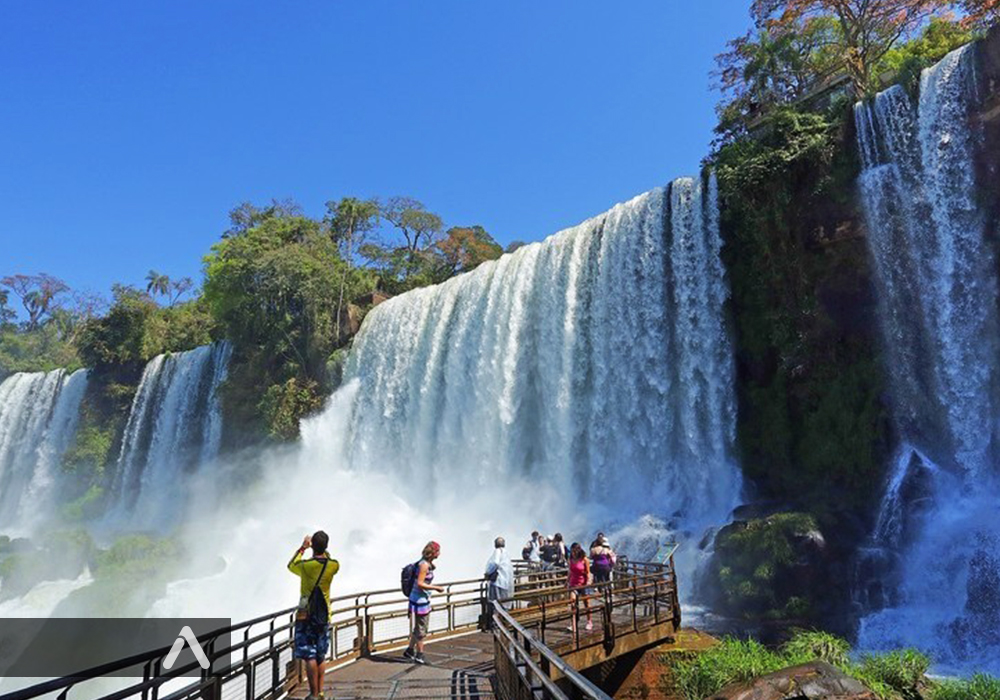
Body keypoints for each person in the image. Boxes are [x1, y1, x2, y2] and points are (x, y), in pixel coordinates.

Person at [288, 531, 339, 700]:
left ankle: (314, 694)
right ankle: (321, 691)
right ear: (326, 546)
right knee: (320, 655)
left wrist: (303, 548)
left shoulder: (306, 566)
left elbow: (291, 565)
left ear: (312, 546)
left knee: (309, 655)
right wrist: (322, 549)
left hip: (306, 616)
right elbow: (329, 558)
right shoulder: (333, 565)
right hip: (324, 615)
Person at [403, 541, 444, 664]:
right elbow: (420, 583)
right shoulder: (424, 565)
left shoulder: (425, 563)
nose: (440, 554)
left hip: (418, 599)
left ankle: (410, 651)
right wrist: (436, 588)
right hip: (420, 601)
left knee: (418, 627)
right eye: (438, 551)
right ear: (433, 553)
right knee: (422, 628)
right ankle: (420, 655)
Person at [484, 536, 514, 618]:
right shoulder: (506, 552)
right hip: (506, 582)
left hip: (498, 581)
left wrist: (488, 572)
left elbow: (495, 563)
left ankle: (495, 623)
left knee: (495, 602)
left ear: (495, 544)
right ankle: (505, 621)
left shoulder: (497, 551)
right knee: (504, 603)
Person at [566, 542, 593, 633]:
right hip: (573, 584)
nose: (572, 553)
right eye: (572, 551)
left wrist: (588, 582)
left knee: (587, 604)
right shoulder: (571, 559)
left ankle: (589, 621)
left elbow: (588, 572)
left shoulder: (584, 560)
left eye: (574, 551)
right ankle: (573, 625)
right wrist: (567, 582)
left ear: (578, 550)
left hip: (583, 584)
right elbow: (570, 572)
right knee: (573, 603)